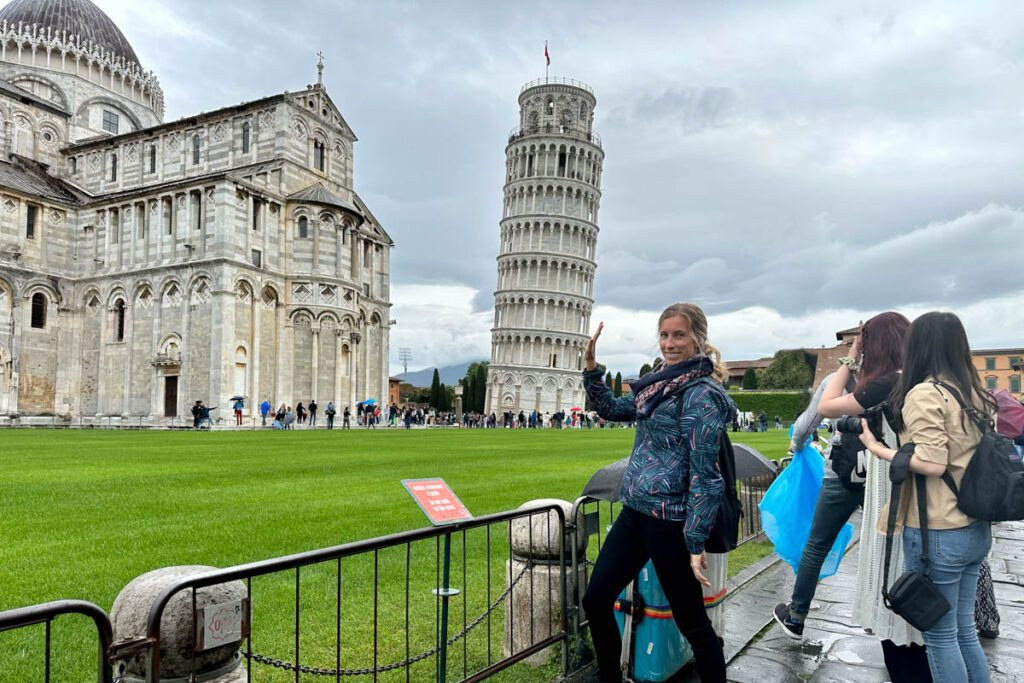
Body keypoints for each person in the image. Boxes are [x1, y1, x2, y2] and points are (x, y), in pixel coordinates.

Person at [580, 303, 730, 683]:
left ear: (697, 337)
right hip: (635, 512)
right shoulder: (659, 383)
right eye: (664, 335)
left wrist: (695, 542)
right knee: (596, 599)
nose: (669, 343)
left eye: (678, 335)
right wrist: (592, 370)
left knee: (692, 623)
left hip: (671, 522)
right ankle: (609, 677)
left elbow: (706, 476)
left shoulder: (700, 396)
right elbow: (613, 409)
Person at [860, 312, 995, 683]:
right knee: (964, 631)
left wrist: (878, 448)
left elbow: (932, 464)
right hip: (973, 525)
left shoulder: (925, 394)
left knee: (939, 636)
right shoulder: (974, 393)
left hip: (937, 527)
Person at [773, 312, 911, 648]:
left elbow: (807, 424)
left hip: (843, 471)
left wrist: (798, 448)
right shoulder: (907, 380)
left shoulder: (841, 381)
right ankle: (887, 612)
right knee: (891, 543)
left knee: (817, 545)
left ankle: (797, 615)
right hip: (887, 473)